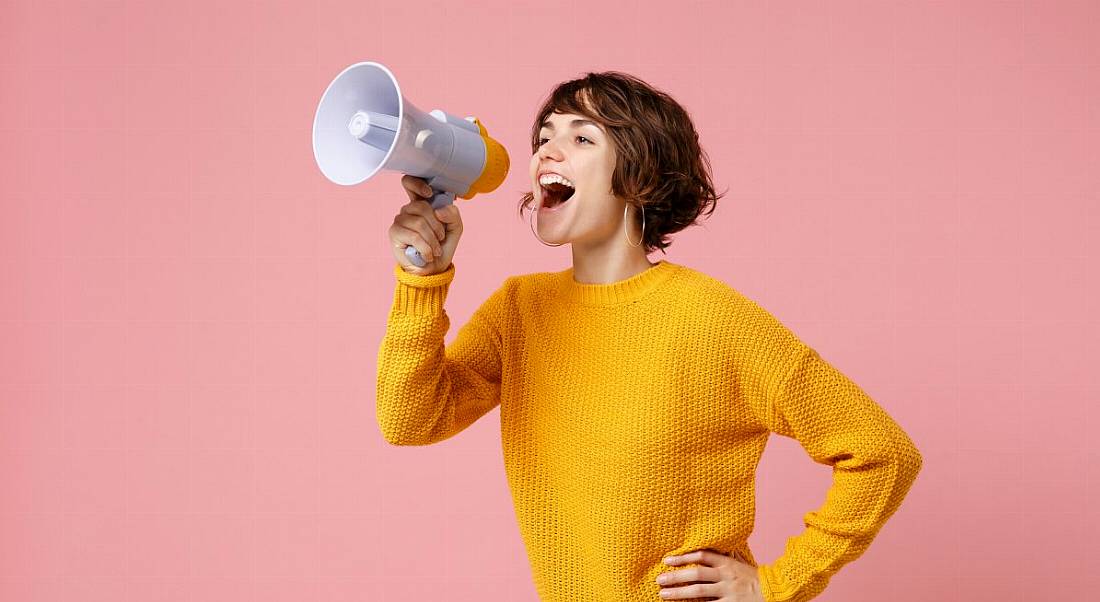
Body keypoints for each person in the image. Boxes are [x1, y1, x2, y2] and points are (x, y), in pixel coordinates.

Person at [377, 72, 922, 602]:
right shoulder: (519, 312)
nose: (547, 151)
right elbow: (411, 420)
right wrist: (421, 281)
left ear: (639, 175)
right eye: (544, 137)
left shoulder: (714, 319)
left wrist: (778, 586)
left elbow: (884, 453)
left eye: (581, 137)